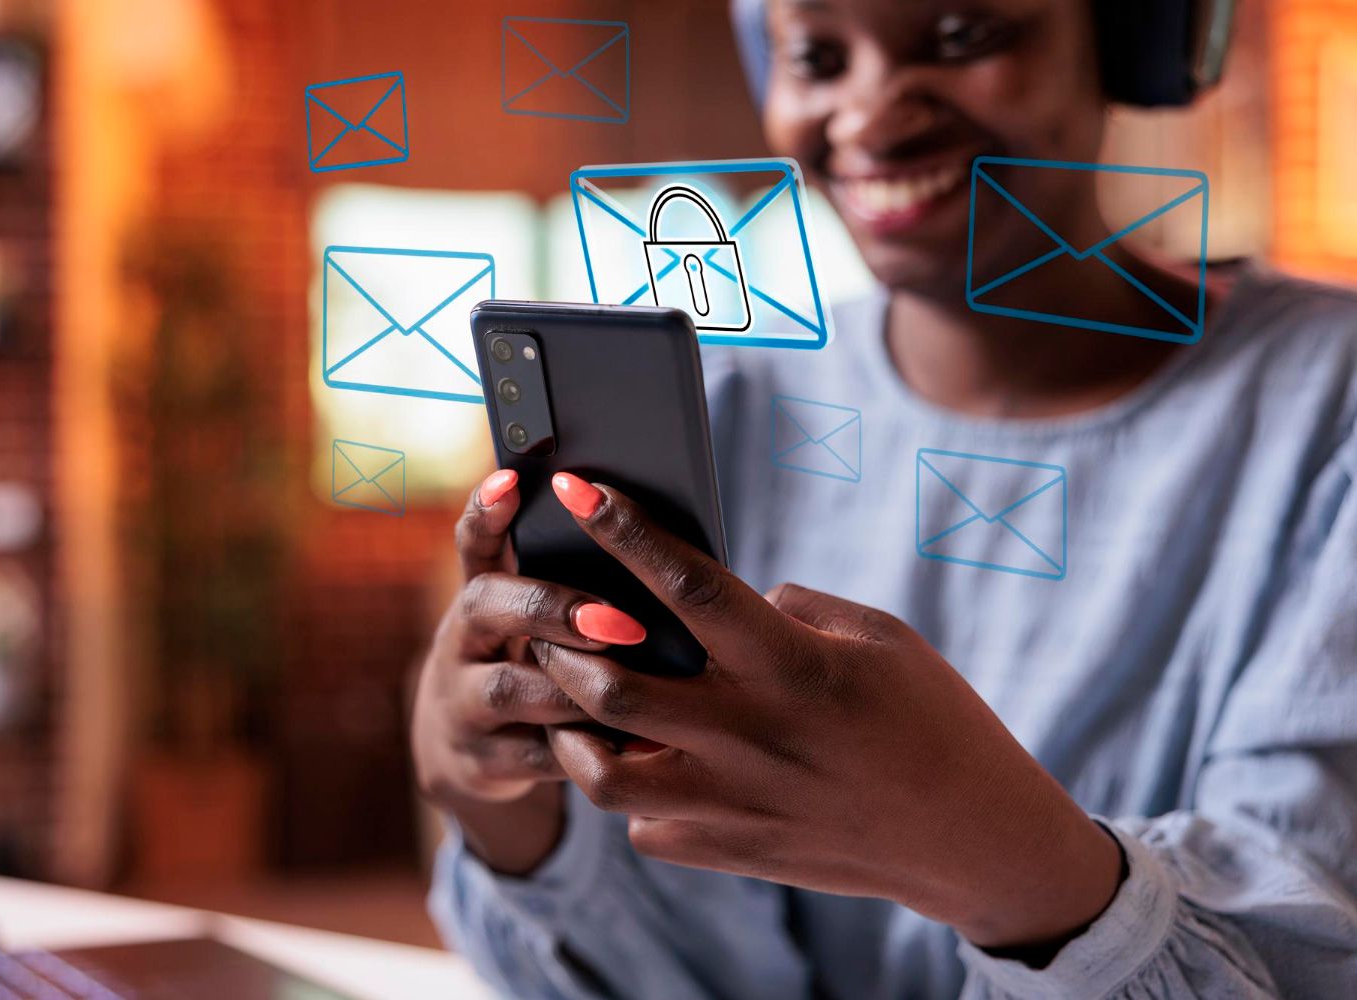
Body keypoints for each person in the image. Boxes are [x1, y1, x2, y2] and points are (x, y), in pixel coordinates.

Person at [411, 0, 1357, 996]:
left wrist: (997, 854)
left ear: (1136, 41)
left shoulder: (1329, 407)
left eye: (962, 36)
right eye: (817, 56)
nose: (868, 114)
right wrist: (512, 819)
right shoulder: (730, 411)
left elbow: (1312, 955)